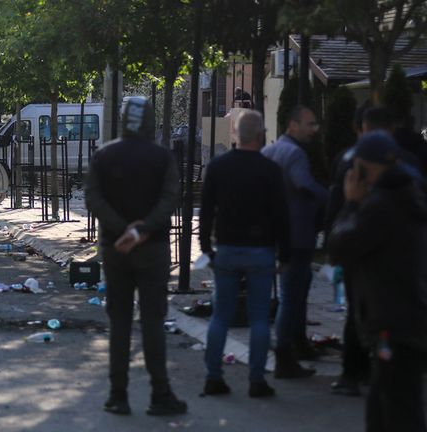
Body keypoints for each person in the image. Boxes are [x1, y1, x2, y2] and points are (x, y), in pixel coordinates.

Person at [85, 96, 187, 417]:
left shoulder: (104, 155)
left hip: (115, 249)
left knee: (120, 322)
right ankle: (160, 393)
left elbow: (93, 198)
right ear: (150, 122)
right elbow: (171, 197)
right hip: (153, 248)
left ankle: (118, 394)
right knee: (153, 321)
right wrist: (143, 228)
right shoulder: (162, 157)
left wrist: (121, 229)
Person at [327, 131, 427, 432]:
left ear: (364, 168)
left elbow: (339, 249)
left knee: (400, 409)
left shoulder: (380, 206)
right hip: (402, 318)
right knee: (383, 408)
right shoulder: (408, 194)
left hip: (394, 322)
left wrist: (350, 204)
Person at [200, 110, 289, 398]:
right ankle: (256, 381)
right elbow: (281, 216)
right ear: (261, 134)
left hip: (226, 249)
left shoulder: (218, 166)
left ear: (236, 134)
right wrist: (284, 254)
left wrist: (205, 248)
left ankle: (213, 376)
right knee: (260, 319)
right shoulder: (271, 170)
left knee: (220, 316)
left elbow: (206, 211)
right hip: (260, 252)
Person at [261, 104, 328, 377]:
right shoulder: (295, 153)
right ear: (292, 125)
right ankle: (286, 352)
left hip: (275, 232)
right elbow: (304, 185)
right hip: (298, 233)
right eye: (309, 123)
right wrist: (332, 196)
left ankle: (297, 343)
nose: (315, 129)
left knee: (294, 290)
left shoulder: (269, 151)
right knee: (293, 294)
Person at [324, 103, 371, 396]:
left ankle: (353, 371)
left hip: (357, 246)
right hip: (391, 251)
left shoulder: (348, 160)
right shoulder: (406, 161)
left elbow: (335, 207)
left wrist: (333, 246)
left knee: (357, 311)